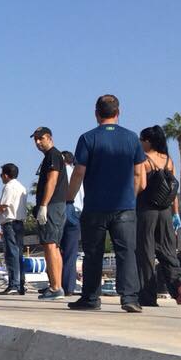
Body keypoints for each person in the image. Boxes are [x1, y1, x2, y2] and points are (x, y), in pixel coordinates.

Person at [66, 94, 146, 312]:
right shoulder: (132, 139)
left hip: (95, 206)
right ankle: (129, 298)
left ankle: (91, 298)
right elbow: (140, 175)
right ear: (118, 113)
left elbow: (79, 172)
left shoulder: (87, 138)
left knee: (93, 253)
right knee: (127, 251)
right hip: (125, 207)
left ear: (96, 114)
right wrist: (131, 196)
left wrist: (70, 198)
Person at [136, 126, 181, 307]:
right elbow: (173, 191)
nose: (139, 143)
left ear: (148, 141)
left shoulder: (143, 160)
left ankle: (147, 296)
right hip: (166, 212)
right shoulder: (168, 161)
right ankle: (179, 284)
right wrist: (176, 213)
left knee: (146, 254)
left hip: (147, 211)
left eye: (141, 140)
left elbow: (141, 185)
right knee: (168, 252)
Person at [31, 126, 69, 299]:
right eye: (36, 139)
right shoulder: (52, 156)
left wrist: (44, 205)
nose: (38, 142)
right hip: (57, 205)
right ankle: (57, 285)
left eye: (41, 138)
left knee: (49, 245)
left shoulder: (53, 155)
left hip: (52, 205)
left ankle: (55, 287)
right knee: (54, 245)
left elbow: (52, 180)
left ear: (49, 137)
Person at [0, 162, 27, 295]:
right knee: (19, 254)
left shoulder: (9, 187)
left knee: (11, 254)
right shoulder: (22, 187)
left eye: (1, 174)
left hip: (10, 223)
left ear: (5, 175)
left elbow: (4, 205)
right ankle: (21, 284)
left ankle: (14, 284)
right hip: (20, 222)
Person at [60, 151, 83, 296]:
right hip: (78, 211)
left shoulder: (61, 173)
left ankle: (56, 283)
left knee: (55, 248)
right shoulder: (79, 172)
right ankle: (69, 286)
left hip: (64, 208)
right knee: (71, 252)